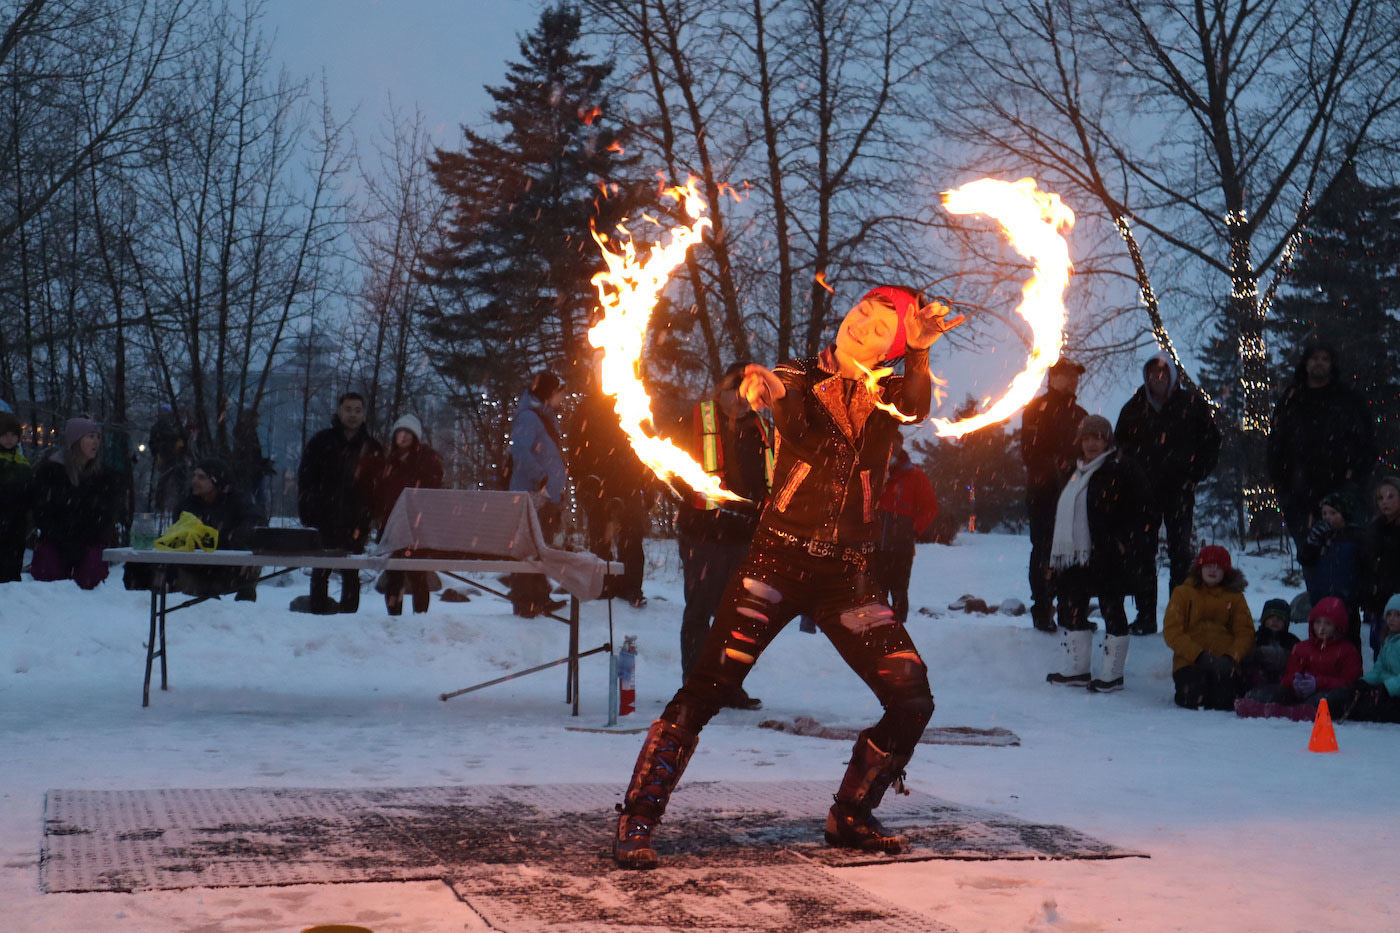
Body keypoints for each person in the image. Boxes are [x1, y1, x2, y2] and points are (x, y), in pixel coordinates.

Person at [611, 285, 960, 870]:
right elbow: (797, 425)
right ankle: (638, 815)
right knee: (706, 688)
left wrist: (921, 352)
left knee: (912, 698)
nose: (861, 325)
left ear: (892, 350)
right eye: (862, 311)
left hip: (847, 577)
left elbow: (919, 405)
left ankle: (851, 814)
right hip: (775, 563)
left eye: (881, 329)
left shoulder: (891, 396)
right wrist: (768, 392)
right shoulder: (796, 375)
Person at [670, 361, 774, 707]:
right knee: (700, 610)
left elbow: (770, 476)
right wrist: (694, 495)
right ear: (725, 387)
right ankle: (696, 686)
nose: (748, 399)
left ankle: (728, 685)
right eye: (742, 390)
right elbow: (669, 468)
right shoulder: (698, 417)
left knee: (738, 615)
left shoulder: (760, 426)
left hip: (743, 535)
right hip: (704, 533)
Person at [1043, 414, 1154, 692]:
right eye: (1086, 438)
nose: (1091, 443)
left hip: (1108, 553)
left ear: (1107, 440)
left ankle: (1112, 674)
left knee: (1111, 607)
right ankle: (1077, 669)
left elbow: (1142, 509)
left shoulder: (1121, 468)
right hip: (1074, 554)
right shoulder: (1072, 471)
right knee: (1072, 606)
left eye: (1098, 438)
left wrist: (1124, 542)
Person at [1113, 352, 1222, 636]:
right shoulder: (1134, 408)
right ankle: (1145, 616)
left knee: (1180, 553)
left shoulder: (1191, 404)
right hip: (1142, 494)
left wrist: (1194, 475)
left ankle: (1179, 618)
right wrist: (1130, 481)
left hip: (1179, 491)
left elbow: (1211, 443)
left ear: (1172, 377)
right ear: (1146, 377)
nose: (1158, 378)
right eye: (1153, 374)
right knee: (1142, 554)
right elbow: (1119, 451)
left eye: (1163, 374)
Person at [1267, 340, 1377, 551]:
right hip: (1300, 492)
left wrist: (1355, 476)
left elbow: (1367, 441)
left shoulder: (1348, 399)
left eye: (1325, 359)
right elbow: (1276, 445)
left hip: (1343, 489)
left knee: (1348, 554)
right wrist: (1284, 486)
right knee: (1310, 555)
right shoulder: (1291, 399)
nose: (1320, 363)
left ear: (1332, 364)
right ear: (1306, 363)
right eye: (1315, 358)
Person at [570, 370, 652, 608]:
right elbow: (576, 447)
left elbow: (648, 445)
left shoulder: (635, 402)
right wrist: (583, 482)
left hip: (630, 483)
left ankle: (631, 587)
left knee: (632, 539)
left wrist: (648, 483)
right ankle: (603, 586)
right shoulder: (587, 407)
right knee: (600, 538)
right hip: (598, 483)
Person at [297, 393, 382, 614]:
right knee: (320, 570)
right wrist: (307, 510)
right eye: (348, 409)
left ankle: (348, 621)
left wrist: (371, 514)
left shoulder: (372, 448)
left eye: (357, 410)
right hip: (323, 517)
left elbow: (380, 487)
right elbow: (306, 479)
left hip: (357, 521)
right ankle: (317, 616)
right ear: (339, 411)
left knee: (351, 572)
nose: (353, 415)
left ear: (364, 414)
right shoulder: (321, 442)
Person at [1020, 358, 1087, 632]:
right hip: (1044, 493)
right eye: (1067, 374)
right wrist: (1056, 465)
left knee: (1072, 550)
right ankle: (1043, 609)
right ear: (1053, 378)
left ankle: (1070, 610)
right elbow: (1029, 451)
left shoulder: (1081, 415)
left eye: (1075, 375)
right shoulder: (1036, 410)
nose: (1073, 379)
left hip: (1074, 493)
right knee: (1044, 549)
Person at [1235, 597, 1360, 721]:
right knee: (1267, 692)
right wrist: (1295, 682)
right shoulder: (1301, 647)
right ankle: (1278, 708)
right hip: (1299, 693)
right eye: (1318, 622)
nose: (1321, 628)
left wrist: (1317, 683)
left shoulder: (1347, 650)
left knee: (1330, 698)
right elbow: (1288, 675)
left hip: (1326, 693)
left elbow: (1349, 682)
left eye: (1328, 623)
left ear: (1338, 626)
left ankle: (1292, 711)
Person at [1162, 545, 1255, 710]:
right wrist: (1199, 656)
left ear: (1225, 571)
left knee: (1226, 700)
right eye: (1209, 565)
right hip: (1189, 661)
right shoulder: (1182, 593)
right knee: (1193, 695)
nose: (1213, 570)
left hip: (1225, 662)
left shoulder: (1236, 597)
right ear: (1200, 568)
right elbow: (1172, 631)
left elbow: (1245, 633)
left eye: (1218, 567)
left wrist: (1231, 658)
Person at [30, 417, 120, 589]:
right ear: (76, 440)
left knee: (90, 578)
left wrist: (90, 538)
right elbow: (41, 510)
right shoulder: (51, 471)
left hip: (90, 540)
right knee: (49, 577)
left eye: (98, 437)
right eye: (90, 437)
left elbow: (107, 514)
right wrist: (60, 536)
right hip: (56, 538)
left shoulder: (103, 476)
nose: (95, 442)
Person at [370, 413, 444, 615]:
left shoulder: (426, 461)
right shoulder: (389, 462)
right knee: (394, 576)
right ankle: (394, 618)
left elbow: (432, 493)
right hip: (393, 527)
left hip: (417, 529)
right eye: (399, 432)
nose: (403, 437)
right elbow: (381, 495)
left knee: (418, 576)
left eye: (408, 433)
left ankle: (419, 618)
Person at [509, 371, 567, 618]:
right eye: (559, 393)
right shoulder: (529, 417)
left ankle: (540, 597)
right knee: (529, 548)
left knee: (541, 547)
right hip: (532, 496)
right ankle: (525, 602)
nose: (561, 398)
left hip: (545, 497)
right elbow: (520, 451)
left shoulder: (544, 416)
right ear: (549, 393)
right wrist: (541, 478)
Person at [169, 458, 261, 599]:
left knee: (252, 560)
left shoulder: (238, 501)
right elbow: (180, 536)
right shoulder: (187, 504)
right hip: (195, 567)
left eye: (201, 477)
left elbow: (254, 524)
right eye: (194, 476)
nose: (195, 481)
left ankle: (244, 606)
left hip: (229, 565)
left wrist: (237, 546)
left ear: (216, 481)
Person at [877, 433, 938, 624]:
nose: (891, 450)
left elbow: (930, 507)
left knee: (899, 592)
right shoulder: (875, 471)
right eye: (888, 446)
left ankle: (898, 631)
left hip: (901, 549)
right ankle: (876, 631)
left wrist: (913, 529)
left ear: (900, 447)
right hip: (875, 546)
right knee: (875, 593)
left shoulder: (915, 476)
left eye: (894, 446)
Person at [1296, 490, 1363, 650]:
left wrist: (1357, 595)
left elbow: (1363, 568)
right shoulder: (1318, 537)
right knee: (1319, 645)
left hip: (1346, 603)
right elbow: (1305, 559)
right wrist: (1313, 540)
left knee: (1348, 646)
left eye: (1333, 513)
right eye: (1324, 513)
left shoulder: (1355, 536)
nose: (1327, 517)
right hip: (1320, 601)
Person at [1360, 476, 1400, 660]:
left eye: (1391, 496)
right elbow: (1368, 564)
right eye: (1380, 498)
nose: (1385, 502)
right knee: (1380, 647)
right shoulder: (1374, 528)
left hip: (1397, 597)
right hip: (1380, 601)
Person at [1348, 593, 1400, 722]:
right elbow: (1379, 670)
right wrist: (1364, 682)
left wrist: (1387, 688)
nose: (1391, 619)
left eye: (1397, 615)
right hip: (1390, 691)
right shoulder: (1388, 641)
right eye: (1389, 614)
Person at [1239, 597, 1301, 692]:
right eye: (1271, 617)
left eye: (1279, 618)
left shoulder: (1292, 641)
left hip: (1284, 685)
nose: (1274, 621)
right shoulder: (1255, 640)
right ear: (1264, 620)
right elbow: (1246, 663)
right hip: (1257, 685)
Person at [0, 410, 31, 582]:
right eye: (4, 434)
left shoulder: (22, 463)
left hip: (17, 523)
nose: (9, 439)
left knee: (13, 564)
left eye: (13, 435)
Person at [229, 408, 274, 515]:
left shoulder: (249, 433)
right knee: (254, 498)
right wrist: (259, 466)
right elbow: (249, 456)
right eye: (256, 419)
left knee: (255, 497)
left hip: (253, 473)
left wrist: (263, 464)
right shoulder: (246, 434)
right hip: (249, 474)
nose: (258, 422)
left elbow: (254, 455)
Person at [148, 404, 190, 515]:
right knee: (163, 482)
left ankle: (181, 507)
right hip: (165, 458)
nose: (164, 414)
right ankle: (159, 508)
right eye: (163, 412)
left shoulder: (177, 426)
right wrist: (158, 452)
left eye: (166, 412)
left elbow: (184, 441)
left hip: (177, 458)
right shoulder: (158, 428)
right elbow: (152, 444)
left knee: (180, 483)